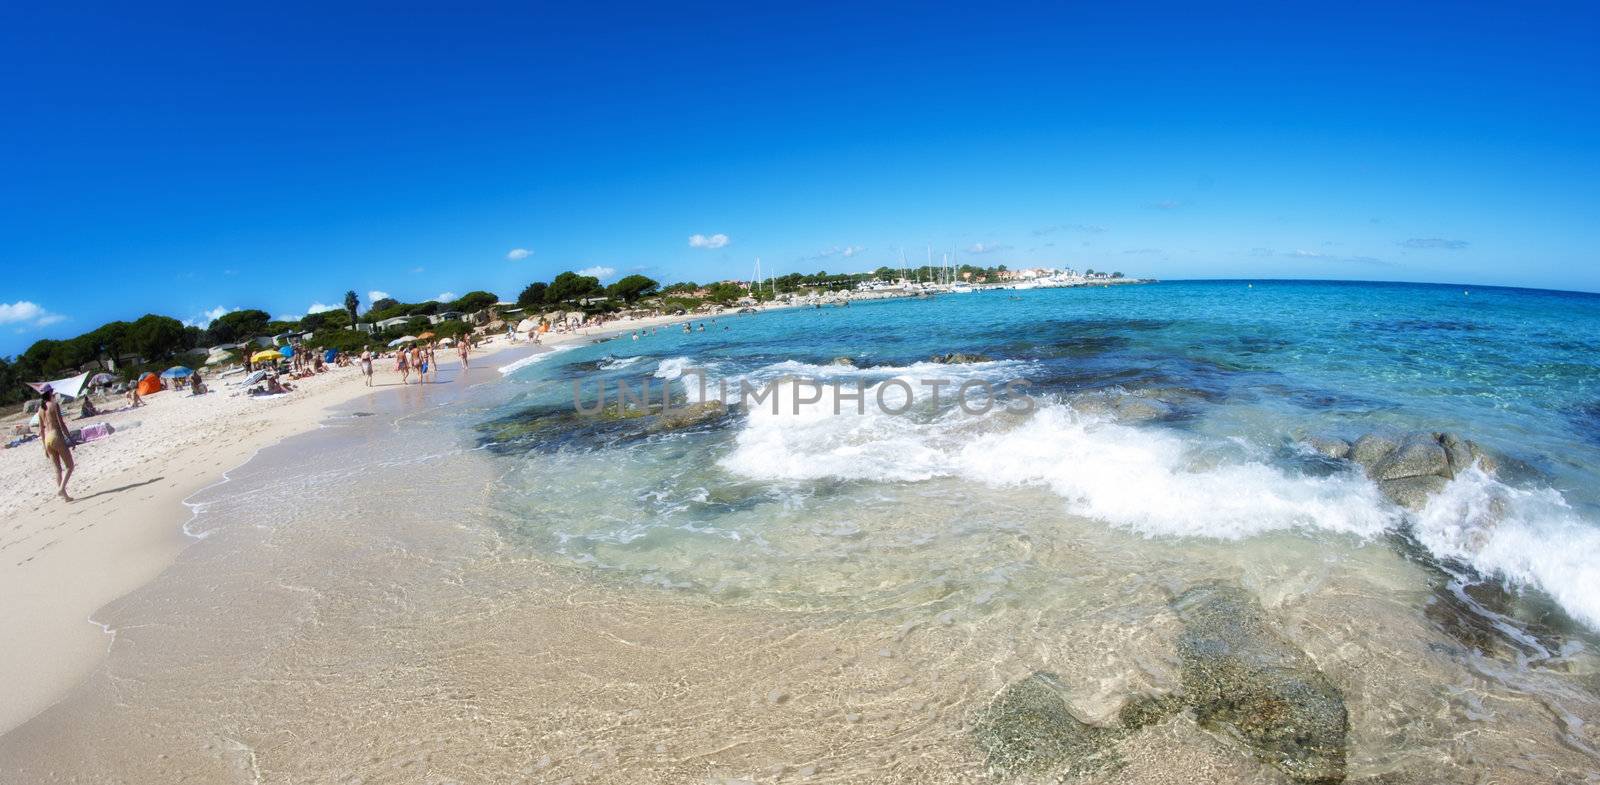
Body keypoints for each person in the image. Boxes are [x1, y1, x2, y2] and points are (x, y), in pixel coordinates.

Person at [36, 386, 75, 502]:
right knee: (70, 466)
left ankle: (65, 497)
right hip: (56, 436)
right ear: (50, 393)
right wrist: (70, 438)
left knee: (57, 470)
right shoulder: (54, 405)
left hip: (47, 439)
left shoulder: (40, 409)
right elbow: (61, 424)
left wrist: (44, 448)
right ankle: (61, 489)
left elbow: (41, 430)